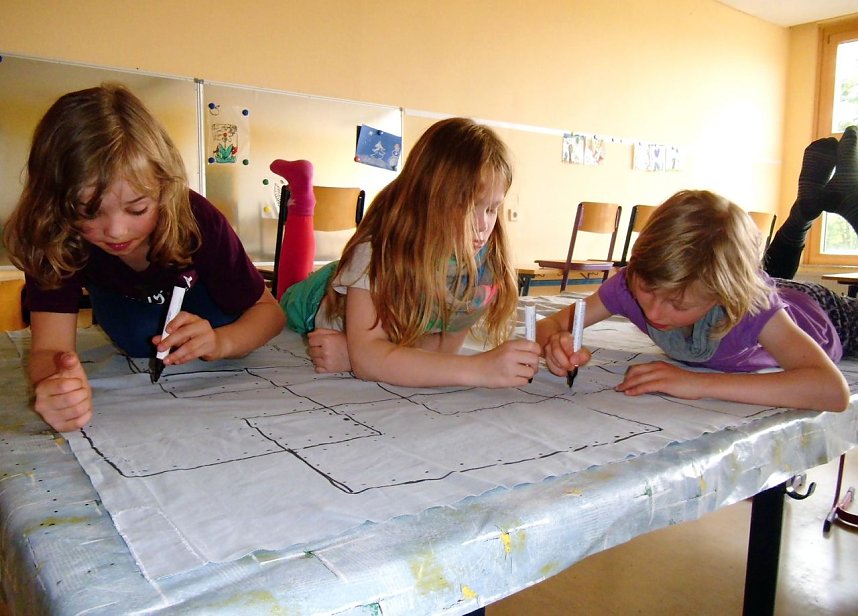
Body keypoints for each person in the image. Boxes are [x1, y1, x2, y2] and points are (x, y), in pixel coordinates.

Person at [3, 84, 285, 432]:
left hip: (214, 320)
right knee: (138, 335)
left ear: (165, 189)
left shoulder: (197, 219)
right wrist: (56, 387)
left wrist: (221, 341)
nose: (116, 232)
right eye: (89, 213)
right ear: (55, 205)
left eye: (137, 209)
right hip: (128, 319)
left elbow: (269, 314)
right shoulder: (53, 233)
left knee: (217, 326)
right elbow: (50, 351)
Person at [537, 168, 856, 412]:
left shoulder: (749, 307)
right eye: (648, 290)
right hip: (772, 287)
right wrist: (555, 342)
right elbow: (549, 324)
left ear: (722, 296)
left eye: (678, 304)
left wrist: (699, 382)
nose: (655, 312)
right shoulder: (631, 283)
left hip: (827, 313)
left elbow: (831, 390)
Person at [272, 117, 541, 388]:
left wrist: (366, 353)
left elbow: (442, 352)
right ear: (426, 200)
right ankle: (302, 199)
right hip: (317, 297)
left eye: (492, 209)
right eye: (467, 206)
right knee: (284, 296)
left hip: (373, 292)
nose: (482, 226)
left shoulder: (482, 265)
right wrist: (479, 369)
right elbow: (369, 360)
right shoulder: (374, 253)